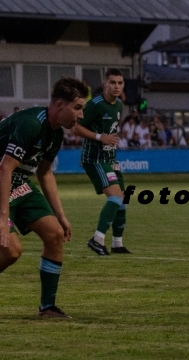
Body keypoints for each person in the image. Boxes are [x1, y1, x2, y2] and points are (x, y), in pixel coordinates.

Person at [0, 77, 88, 318]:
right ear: (59, 105)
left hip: (18, 185)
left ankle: (47, 308)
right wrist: (3, 217)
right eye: (77, 108)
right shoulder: (31, 124)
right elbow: (5, 168)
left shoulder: (55, 134)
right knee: (11, 251)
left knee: (55, 233)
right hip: (2, 182)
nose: (80, 116)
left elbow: (45, 172)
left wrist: (61, 216)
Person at [74, 68, 131, 255]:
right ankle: (97, 239)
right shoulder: (95, 104)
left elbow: (112, 129)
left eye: (120, 83)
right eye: (112, 82)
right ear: (105, 84)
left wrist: (112, 139)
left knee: (122, 201)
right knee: (114, 198)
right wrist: (101, 137)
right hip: (95, 158)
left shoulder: (119, 105)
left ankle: (117, 244)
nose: (116, 86)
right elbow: (76, 129)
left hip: (110, 158)